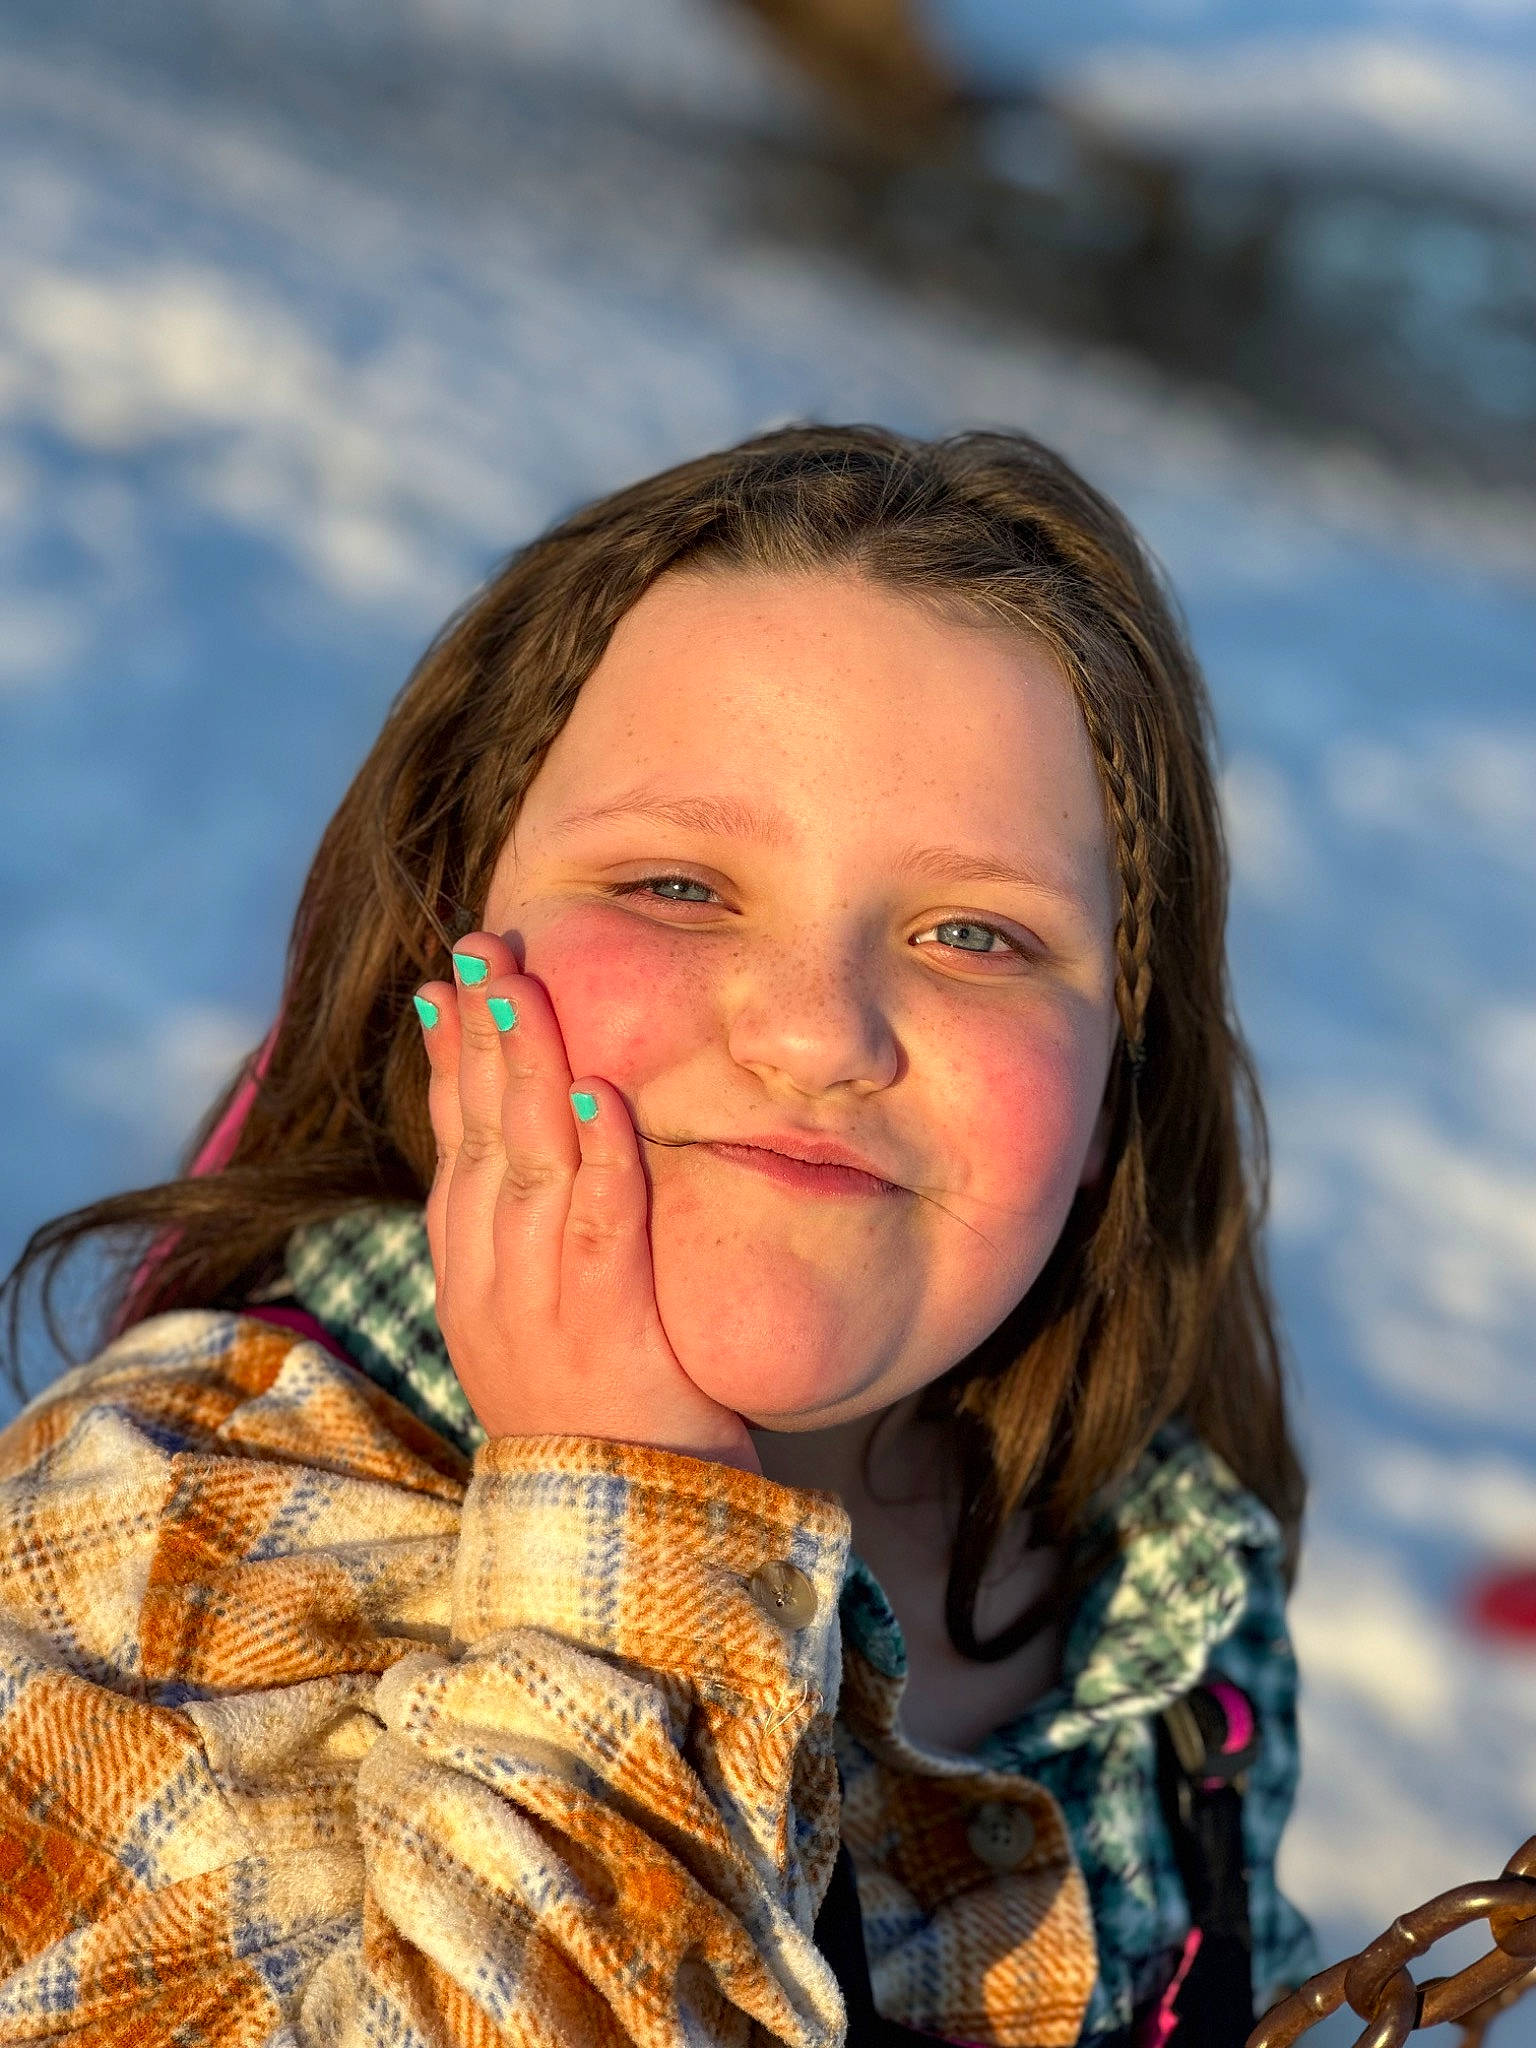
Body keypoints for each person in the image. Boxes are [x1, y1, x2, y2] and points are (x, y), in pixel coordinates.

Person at [0, 425, 1317, 2046]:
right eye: (680, 886)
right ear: (449, 950)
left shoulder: (1156, 1607)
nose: (817, 1031)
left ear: (1121, 1072)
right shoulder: (159, 1545)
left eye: (975, 932)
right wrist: (630, 1566)